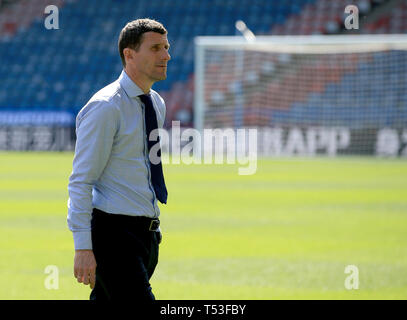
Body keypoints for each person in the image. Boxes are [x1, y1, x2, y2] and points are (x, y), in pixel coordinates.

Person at [67, 18, 171, 300]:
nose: (166, 55)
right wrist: (83, 247)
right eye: (155, 48)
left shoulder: (156, 103)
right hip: (113, 237)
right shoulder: (105, 107)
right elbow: (81, 180)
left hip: (147, 235)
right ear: (129, 54)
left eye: (166, 47)